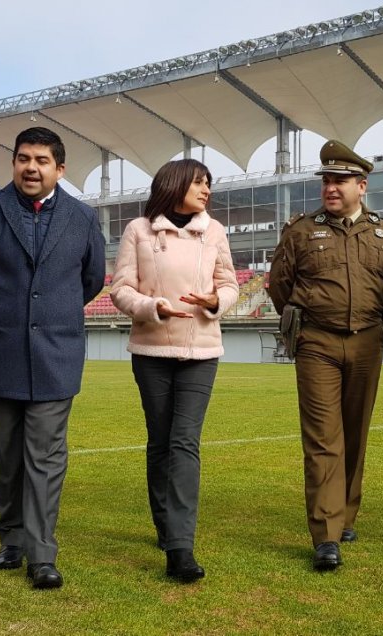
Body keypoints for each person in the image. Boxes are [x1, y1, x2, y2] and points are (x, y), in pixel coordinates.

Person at [0, 127, 106, 590]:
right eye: (23, 158)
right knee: (7, 455)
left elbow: (92, 279)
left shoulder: (82, 217)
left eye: (42, 160)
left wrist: (52, 312)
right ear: (13, 163)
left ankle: (42, 553)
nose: (31, 167)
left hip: (56, 355)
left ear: (59, 169)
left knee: (45, 455)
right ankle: (12, 537)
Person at [268, 139, 383, 571]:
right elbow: (280, 287)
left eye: (340, 180)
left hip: (367, 340)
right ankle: (326, 534)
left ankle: (345, 515)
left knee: (355, 431)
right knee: (323, 438)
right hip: (317, 343)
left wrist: (366, 319)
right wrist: (312, 321)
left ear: (361, 186)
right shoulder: (300, 231)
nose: (331, 187)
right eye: (326, 180)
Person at [110, 159, 239, 583]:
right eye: (199, 182)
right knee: (161, 441)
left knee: (184, 442)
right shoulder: (138, 230)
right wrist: (153, 307)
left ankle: (180, 546)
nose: (206, 190)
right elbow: (121, 288)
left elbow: (230, 284)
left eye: (208, 183)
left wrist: (216, 301)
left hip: (201, 350)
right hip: (151, 350)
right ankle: (164, 525)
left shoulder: (214, 231)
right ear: (175, 184)